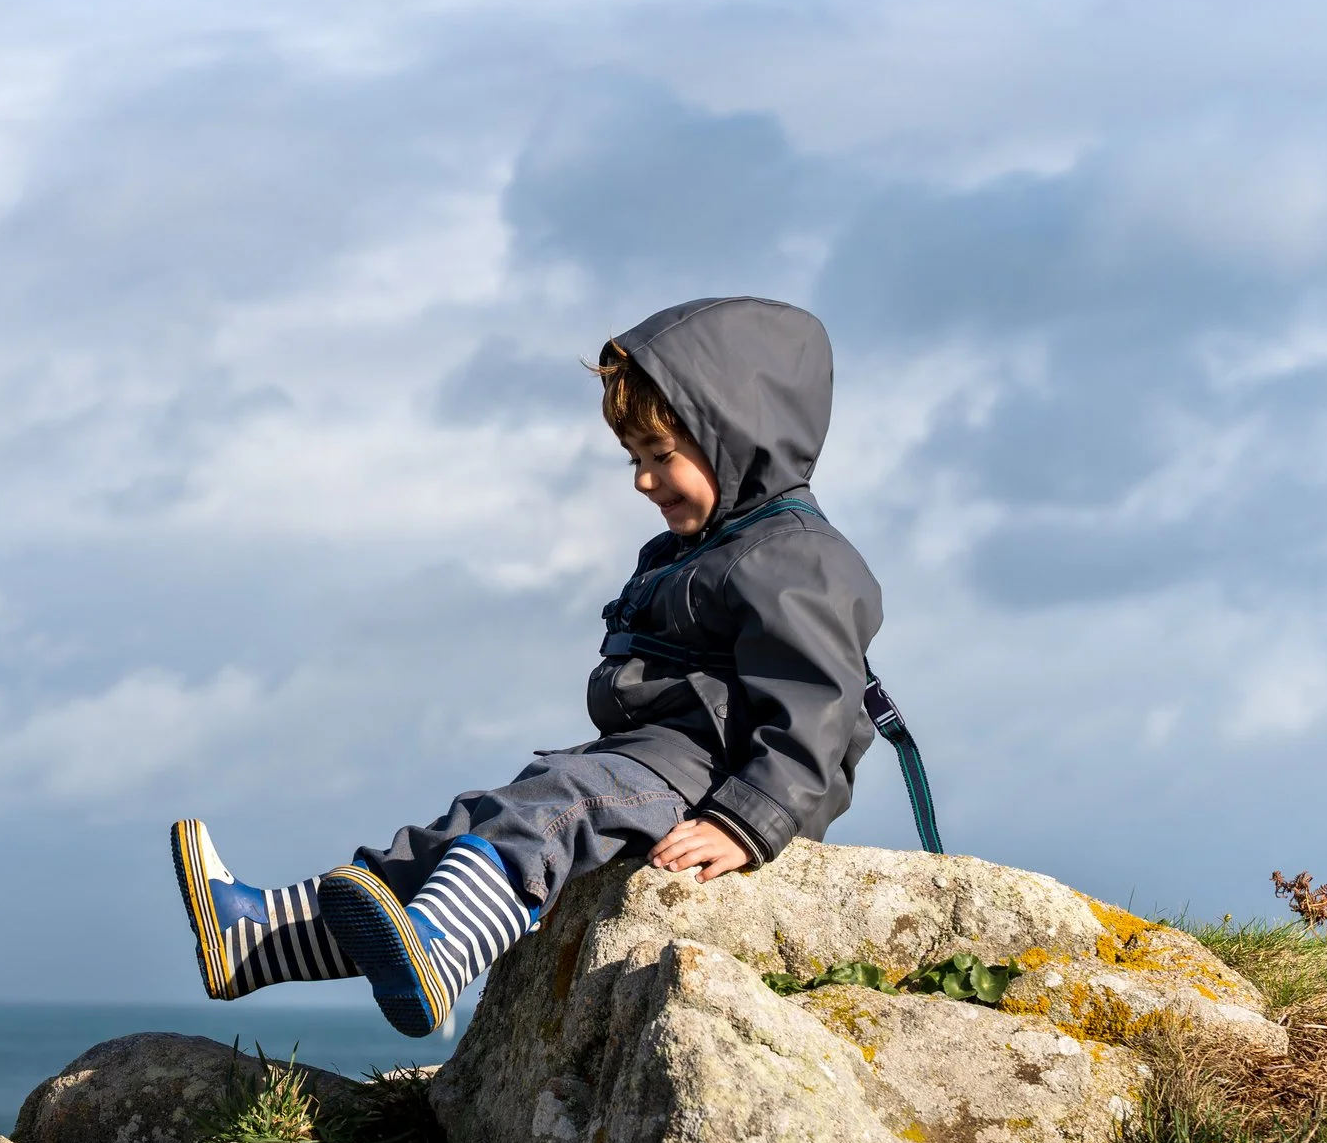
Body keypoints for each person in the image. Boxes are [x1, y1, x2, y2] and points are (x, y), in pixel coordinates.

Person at [172, 297, 884, 1037]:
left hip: (710, 777)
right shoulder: (702, 548)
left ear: (736, 434)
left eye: (660, 453)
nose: (643, 479)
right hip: (655, 762)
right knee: (476, 822)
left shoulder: (797, 554)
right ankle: (261, 934)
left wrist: (749, 819)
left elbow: (820, 707)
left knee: (555, 808)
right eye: (634, 458)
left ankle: (442, 952)